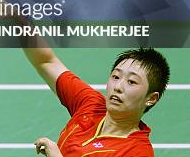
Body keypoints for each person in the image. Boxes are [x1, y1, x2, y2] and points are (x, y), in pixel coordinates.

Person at [25, 46, 169, 157]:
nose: (118, 87)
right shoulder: (90, 104)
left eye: (131, 82)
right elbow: (46, 61)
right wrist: (19, 19)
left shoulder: (137, 152)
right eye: (116, 77)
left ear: (151, 98)